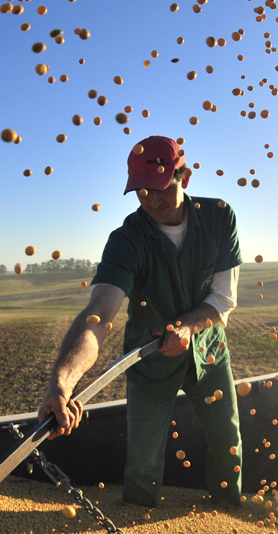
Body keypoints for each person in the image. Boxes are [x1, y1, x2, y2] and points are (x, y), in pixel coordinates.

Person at [37, 135, 243, 507]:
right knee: (144, 458)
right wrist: (62, 382)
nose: (151, 200)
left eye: (160, 189)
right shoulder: (127, 239)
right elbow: (98, 317)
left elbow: (222, 298)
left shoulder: (218, 217)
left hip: (209, 354)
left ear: (185, 177)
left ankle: (229, 514)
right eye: (141, 192)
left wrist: (187, 327)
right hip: (149, 361)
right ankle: (137, 521)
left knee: (227, 440)